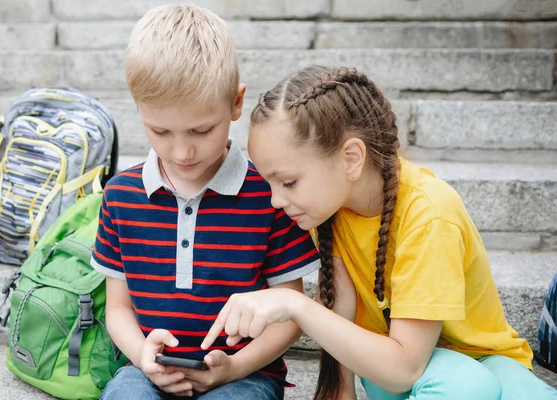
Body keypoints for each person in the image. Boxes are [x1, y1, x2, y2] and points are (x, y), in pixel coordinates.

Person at [201, 65, 557, 400]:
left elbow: (407, 364)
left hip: (479, 360)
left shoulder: (429, 214)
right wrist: (340, 388)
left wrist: (295, 303)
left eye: (289, 182)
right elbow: (374, 342)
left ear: (351, 158)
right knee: (466, 387)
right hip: (395, 367)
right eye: (270, 183)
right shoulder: (324, 210)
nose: (276, 201)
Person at [91, 6, 320, 399]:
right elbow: (118, 309)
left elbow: (291, 316)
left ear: (235, 103)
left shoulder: (269, 196)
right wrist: (142, 355)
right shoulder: (120, 196)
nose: (181, 151)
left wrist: (234, 367)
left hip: (247, 374)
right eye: (160, 130)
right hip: (147, 372)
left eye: (201, 129)